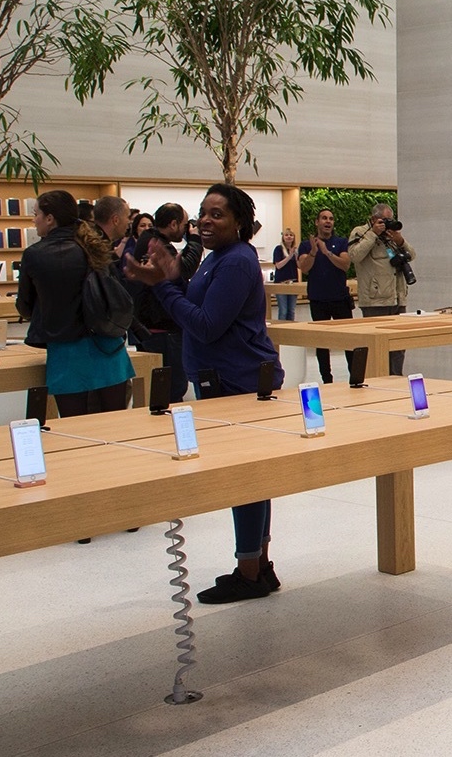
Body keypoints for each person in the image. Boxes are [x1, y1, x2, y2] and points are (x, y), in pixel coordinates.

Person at [126, 184, 284, 603]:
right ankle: (258, 566)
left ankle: (250, 572)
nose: (206, 221)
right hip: (229, 380)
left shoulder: (234, 262)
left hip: (240, 383)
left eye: (218, 214)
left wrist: (162, 286)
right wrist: (170, 276)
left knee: (246, 477)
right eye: (203, 213)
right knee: (251, 478)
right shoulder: (218, 259)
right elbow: (196, 301)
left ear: (239, 221)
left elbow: (207, 324)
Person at [17, 189, 135, 417]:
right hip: (108, 346)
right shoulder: (94, 247)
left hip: (66, 352)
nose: (34, 220)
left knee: (76, 429)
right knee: (116, 424)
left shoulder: (34, 254)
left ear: (50, 218)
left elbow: (24, 305)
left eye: (36, 214)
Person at [132, 203, 200, 402]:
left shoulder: (148, 240)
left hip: (151, 326)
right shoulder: (156, 244)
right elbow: (183, 271)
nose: (187, 228)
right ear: (173, 224)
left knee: (161, 388)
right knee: (172, 387)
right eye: (185, 224)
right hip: (163, 328)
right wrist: (195, 241)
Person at [347, 204, 415, 375]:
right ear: (373, 219)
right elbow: (354, 256)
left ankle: (396, 380)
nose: (387, 224)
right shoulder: (361, 232)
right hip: (375, 300)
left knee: (398, 347)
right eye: (384, 220)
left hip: (397, 299)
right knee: (377, 348)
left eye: (389, 220)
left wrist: (399, 240)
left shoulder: (391, 236)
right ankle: (379, 383)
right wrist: (373, 234)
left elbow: (412, 255)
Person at [297, 208, 352, 383]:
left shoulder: (341, 242)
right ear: (317, 222)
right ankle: (327, 379)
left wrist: (327, 252)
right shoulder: (306, 245)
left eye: (331, 219)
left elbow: (345, 265)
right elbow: (304, 268)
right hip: (318, 299)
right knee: (321, 342)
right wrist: (314, 251)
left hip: (340, 299)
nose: (328, 222)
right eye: (324, 218)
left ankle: (355, 376)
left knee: (349, 340)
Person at [269, 228, 299, 322]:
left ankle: (291, 330)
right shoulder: (278, 249)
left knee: (291, 310)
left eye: (291, 235)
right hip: (281, 282)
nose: (289, 237)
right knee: (283, 310)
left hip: (293, 282)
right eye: (286, 235)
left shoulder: (295, 250)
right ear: (283, 237)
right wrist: (289, 256)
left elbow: (299, 266)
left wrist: (297, 256)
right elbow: (278, 265)